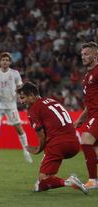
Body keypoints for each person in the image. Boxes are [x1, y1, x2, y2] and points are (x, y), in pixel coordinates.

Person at [17, 82, 88, 194]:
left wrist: (37, 149)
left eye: (23, 98)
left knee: (43, 180)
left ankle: (68, 181)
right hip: (74, 144)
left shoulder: (33, 109)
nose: (21, 101)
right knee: (47, 176)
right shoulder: (52, 101)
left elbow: (41, 136)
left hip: (57, 144)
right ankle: (43, 183)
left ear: (32, 95)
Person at [0, 52, 32, 163]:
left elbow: (20, 87)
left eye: (7, 60)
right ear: (0, 61)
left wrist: (21, 97)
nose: (5, 62)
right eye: (3, 60)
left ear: (9, 62)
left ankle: (26, 152)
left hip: (10, 105)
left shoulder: (15, 73)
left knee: (19, 129)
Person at [74, 41, 98, 189]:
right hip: (92, 114)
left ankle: (93, 181)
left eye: (87, 54)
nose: (83, 57)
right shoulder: (86, 77)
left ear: (96, 54)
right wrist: (79, 120)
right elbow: (89, 104)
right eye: (82, 54)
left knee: (85, 141)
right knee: (94, 150)